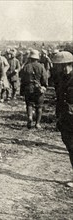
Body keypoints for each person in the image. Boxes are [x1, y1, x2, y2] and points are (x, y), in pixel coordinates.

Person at [52, 51, 73, 187]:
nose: (64, 68)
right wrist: (58, 116)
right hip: (65, 117)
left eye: (67, 65)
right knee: (70, 146)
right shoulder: (60, 79)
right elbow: (59, 98)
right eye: (61, 66)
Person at [19, 49, 48, 129]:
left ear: (30, 58)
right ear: (37, 58)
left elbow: (22, 79)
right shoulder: (41, 67)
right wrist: (44, 86)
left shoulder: (26, 67)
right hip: (38, 89)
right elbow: (45, 78)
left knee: (29, 105)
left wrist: (22, 91)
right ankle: (37, 124)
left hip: (28, 88)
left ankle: (30, 117)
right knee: (39, 107)